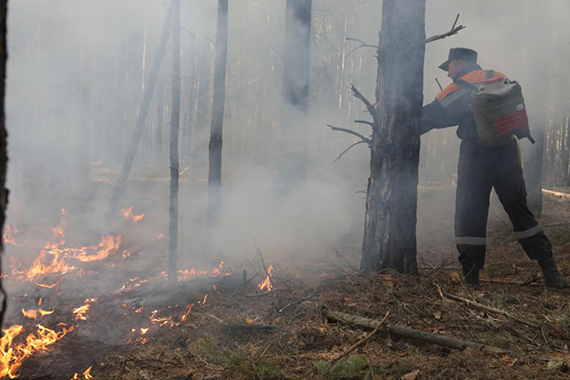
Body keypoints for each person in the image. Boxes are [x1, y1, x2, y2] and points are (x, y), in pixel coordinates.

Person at [420, 47, 569, 288]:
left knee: (470, 212)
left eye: (449, 67)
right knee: (519, 210)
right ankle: (550, 271)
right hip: (507, 153)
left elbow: (431, 117)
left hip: (476, 155)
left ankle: (471, 278)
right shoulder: (499, 77)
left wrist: (401, 125)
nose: (448, 73)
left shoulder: (459, 88)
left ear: (458, 64)